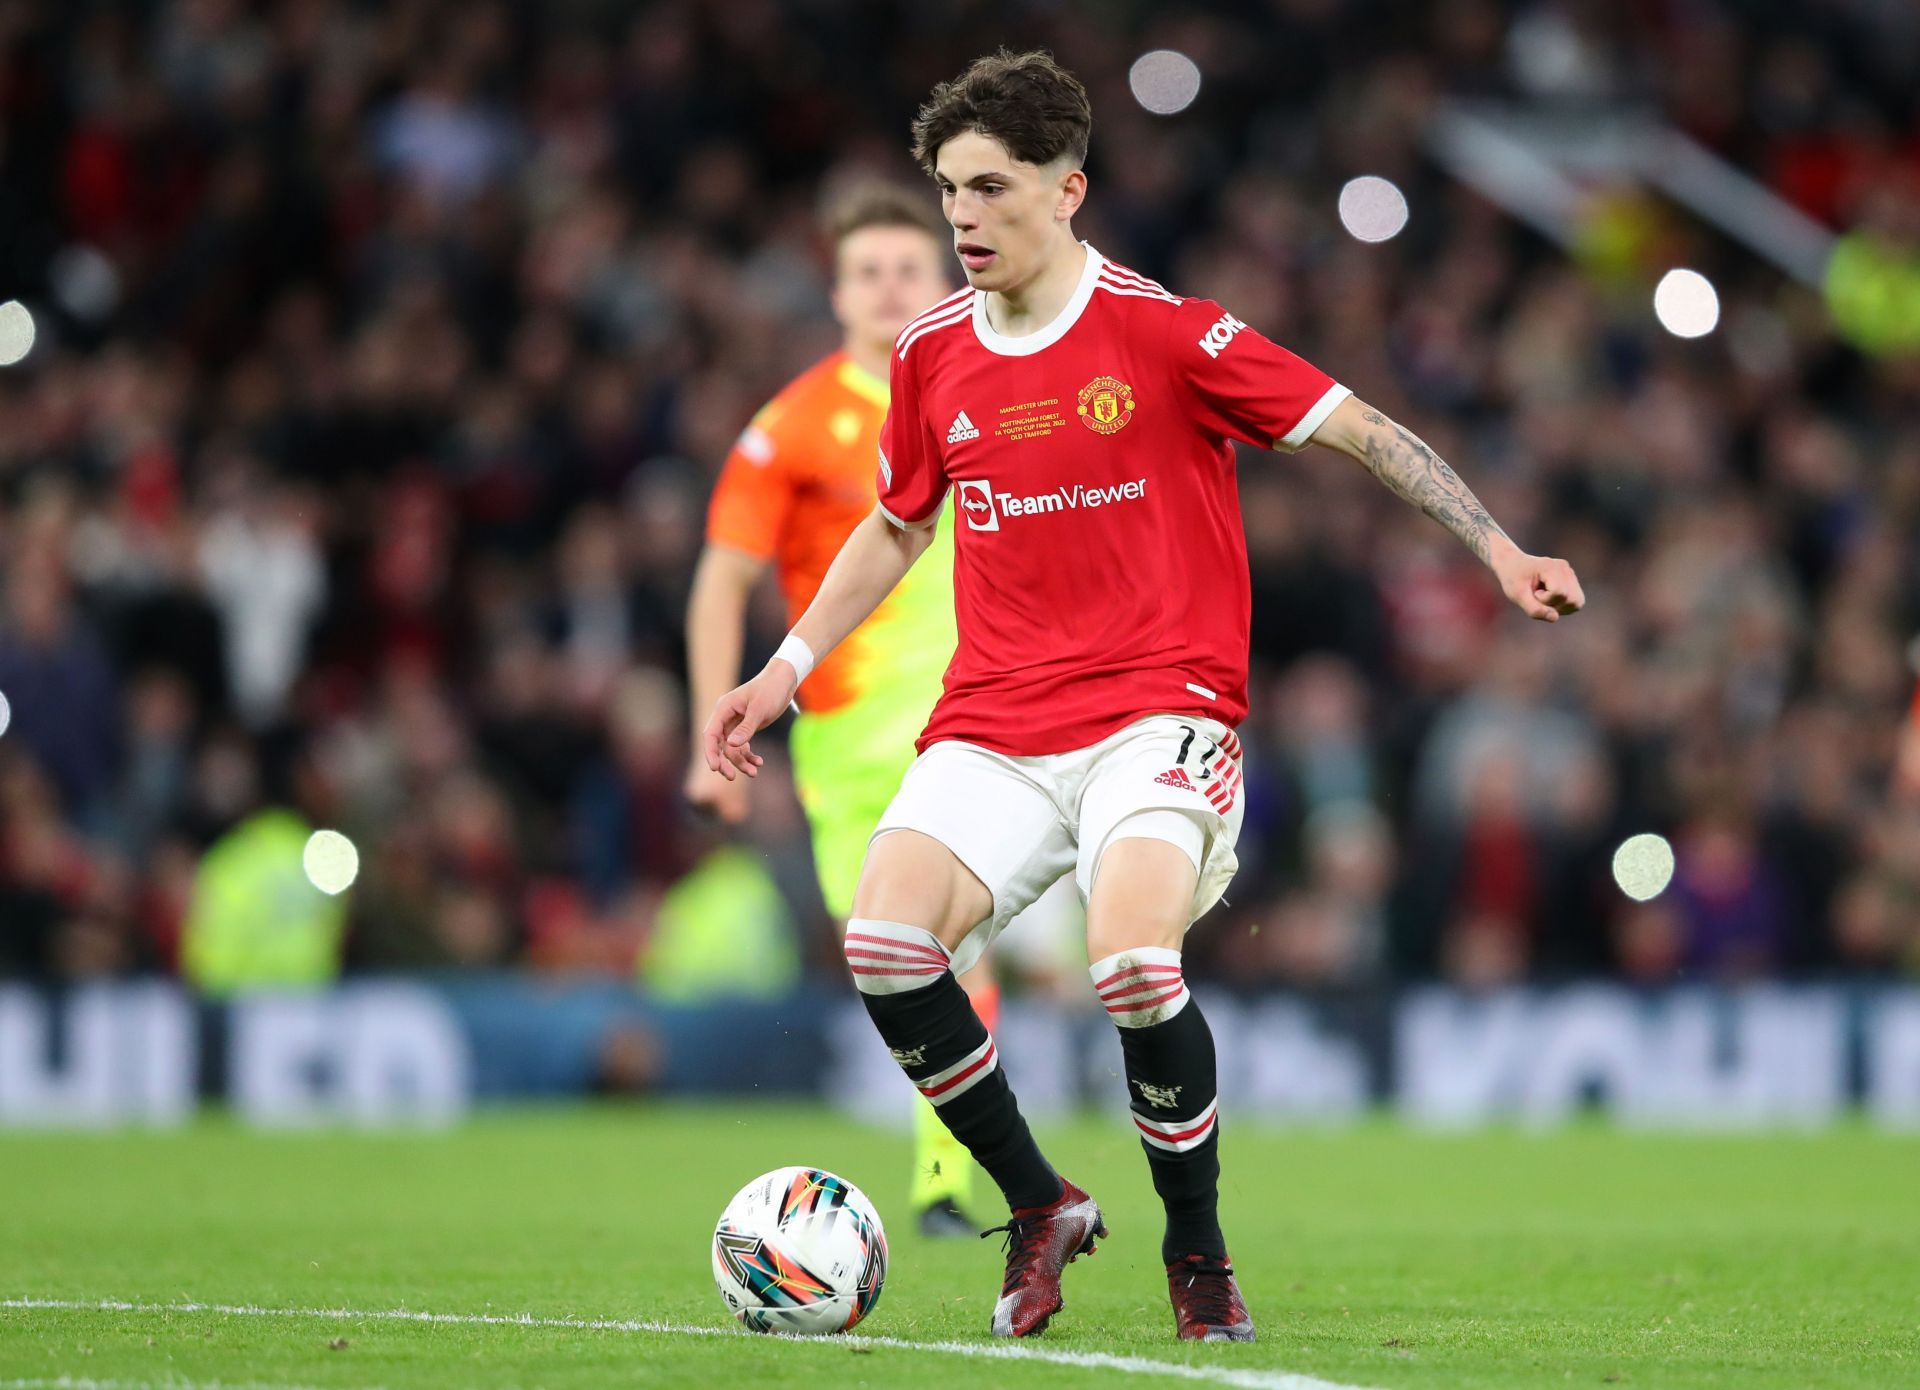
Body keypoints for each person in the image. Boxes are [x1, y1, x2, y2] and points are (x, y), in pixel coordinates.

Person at [703, 50, 1584, 1342]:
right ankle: (1038, 1202)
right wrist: (782, 669)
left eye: (989, 187)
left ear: (1068, 191)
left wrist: (1499, 545)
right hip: (997, 718)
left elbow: (1360, 426)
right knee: (885, 946)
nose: (961, 217)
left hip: (1158, 713)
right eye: (948, 188)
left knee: (1127, 963)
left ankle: (1198, 1247)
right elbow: (896, 527)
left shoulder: (1168, 333)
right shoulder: (934, 352)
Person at [685, 185, 1036, 1235]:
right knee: (894, 956)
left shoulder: (999, 386)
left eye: (908, 268)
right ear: (837, 294)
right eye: (869, 271)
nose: (891, 288)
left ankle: (945, 1172)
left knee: (959, 940)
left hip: (980, 716)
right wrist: (714, 733)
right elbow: (720, 582)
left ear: (943, 280)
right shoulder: (791, 428)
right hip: (843, 738)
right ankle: (964, 1151)